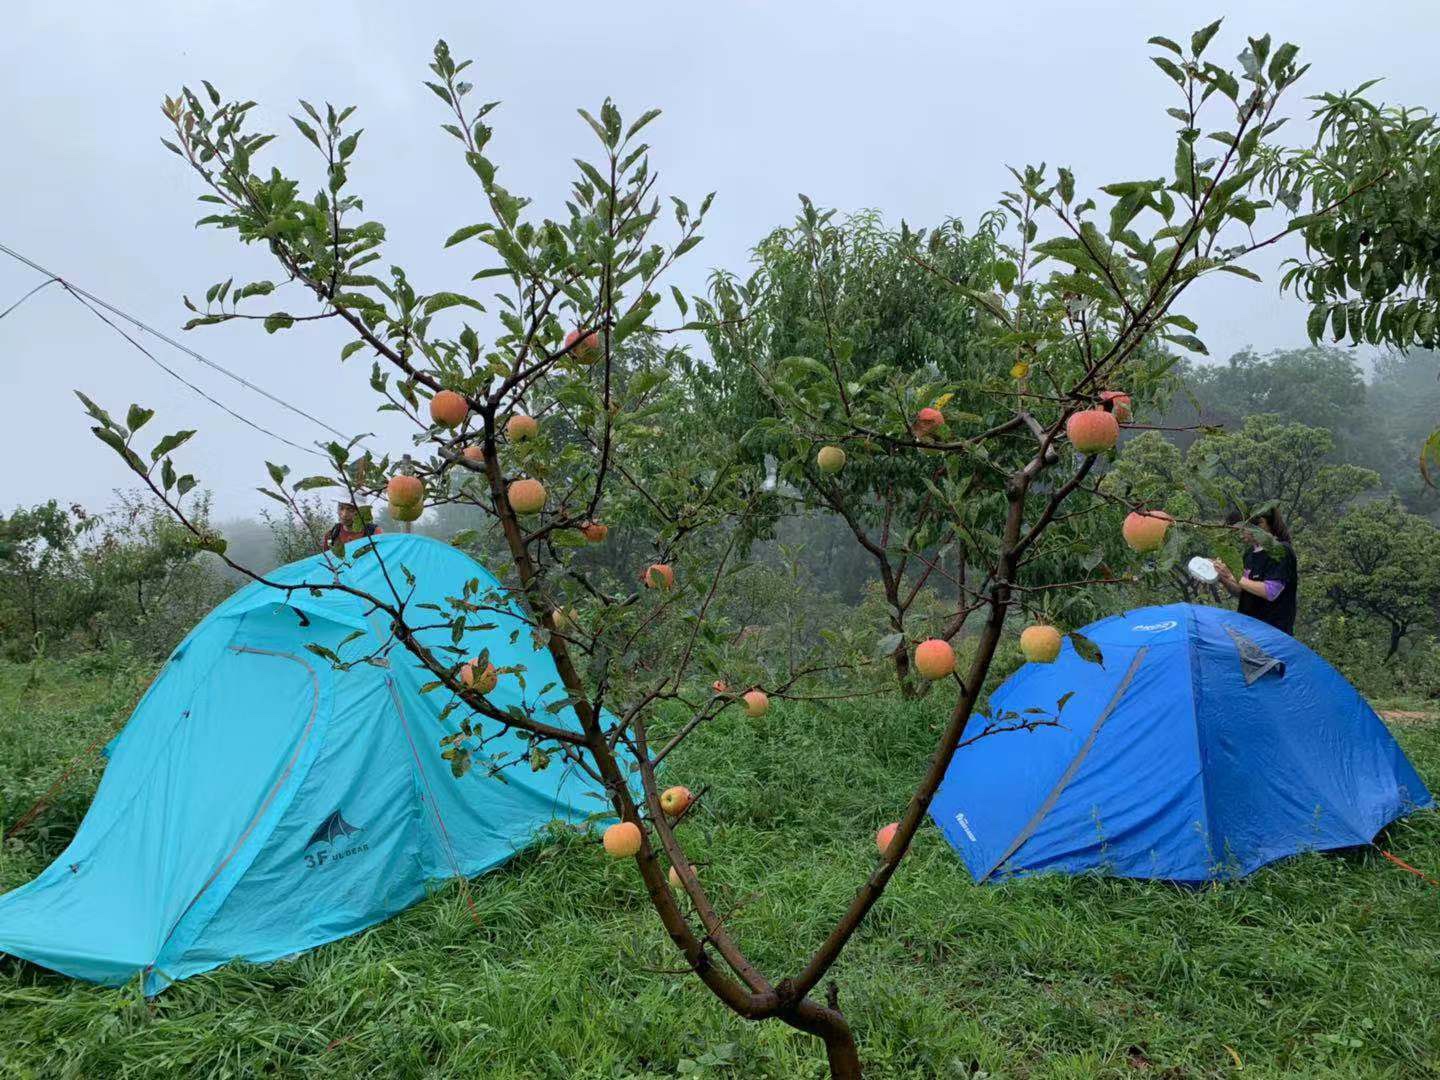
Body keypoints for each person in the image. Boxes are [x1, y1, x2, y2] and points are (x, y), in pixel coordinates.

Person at [1212, 506, 1297, 635]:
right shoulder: (1250, 554)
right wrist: (1220, 576)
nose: (1240, 535)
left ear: (1261, 524)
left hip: (1273, 632)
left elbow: (1270, 592)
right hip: (1248, 630)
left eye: (1242, 529)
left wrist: (1232, 575)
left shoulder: (1280, 551)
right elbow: (1242, 590)